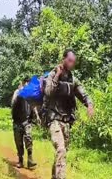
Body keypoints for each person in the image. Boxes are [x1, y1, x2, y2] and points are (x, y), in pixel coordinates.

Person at [44, 49, 94, 179]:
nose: (72, 63)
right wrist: (57, 76)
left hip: (66, 122)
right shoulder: (53, 74)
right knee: (61, 149)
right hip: (53, 119)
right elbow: (48, 92)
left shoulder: (73, 80)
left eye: (74, 62)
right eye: (70, 60)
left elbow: (83, 94)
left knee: (62, 153)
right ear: (64, 59)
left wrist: (90, 105)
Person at [11, 78, 38, 169]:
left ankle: (30, 160)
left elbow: (33, 105)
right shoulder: (17, 92)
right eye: (26, 83)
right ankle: (20, 160)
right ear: (23, 83)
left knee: (28, 139)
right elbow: (13, 104)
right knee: (18, 142)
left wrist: (37, 116)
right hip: (17, 121)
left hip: (27, 121)